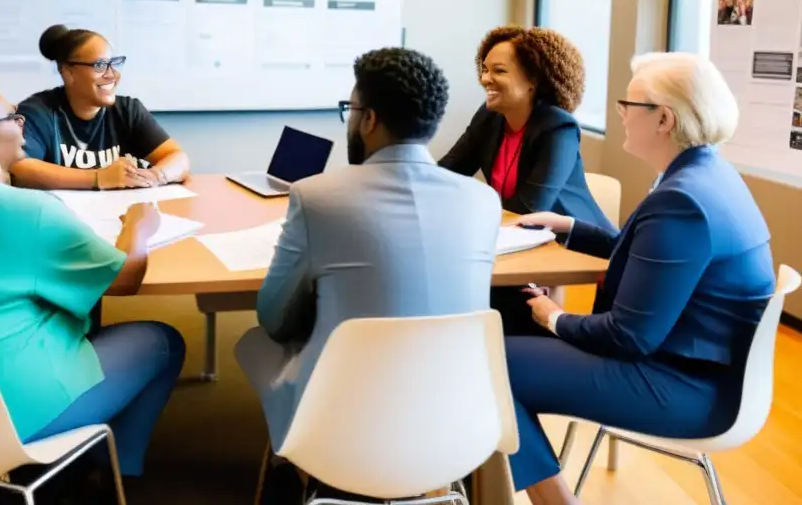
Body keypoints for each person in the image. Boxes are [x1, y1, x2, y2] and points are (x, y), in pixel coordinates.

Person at [0, 72, 186, 500]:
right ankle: (109, 470)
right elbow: (124, 278)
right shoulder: (31, 210)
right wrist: (139, 226)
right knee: (165, 341)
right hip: (5, 418)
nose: (23, 122)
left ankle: (73, 460)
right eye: (12, 117)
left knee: (72, 320)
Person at [235, 47, 501, 504]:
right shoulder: (483, 201)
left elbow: (274, 318)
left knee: (254, 341)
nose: (350, 120)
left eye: (350, 110)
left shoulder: (317, 197)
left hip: (340, 437)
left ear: (370, 119)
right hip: (462, 428)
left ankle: (290, 469)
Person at [507, 52, 775, 504]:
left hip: (684, 389)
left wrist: (554, 317)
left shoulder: (682, 202)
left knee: (487, 362)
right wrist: (567, 226)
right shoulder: (707, 175)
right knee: (499, 348)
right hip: (697, 371)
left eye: (628, 106)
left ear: (664, 119)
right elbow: (648, 259)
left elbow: (628, 336)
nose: (622, 116)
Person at [438, 26, 612, 335]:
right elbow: (448, 173)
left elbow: (529, 209)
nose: (485, 79)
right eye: (485, 69)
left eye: (499, 71)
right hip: (518, 245)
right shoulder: (490, 116)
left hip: (573, 252)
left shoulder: (558, 127)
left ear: (532, 81)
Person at [11, 25, 189, 190]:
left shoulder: (128, 110)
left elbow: (178, 158)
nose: (113, 75)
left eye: (113, 63)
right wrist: (99, 178)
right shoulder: (38, 112)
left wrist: (155, 176)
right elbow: (19, 168)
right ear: (68, 71)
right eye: (100, 65)